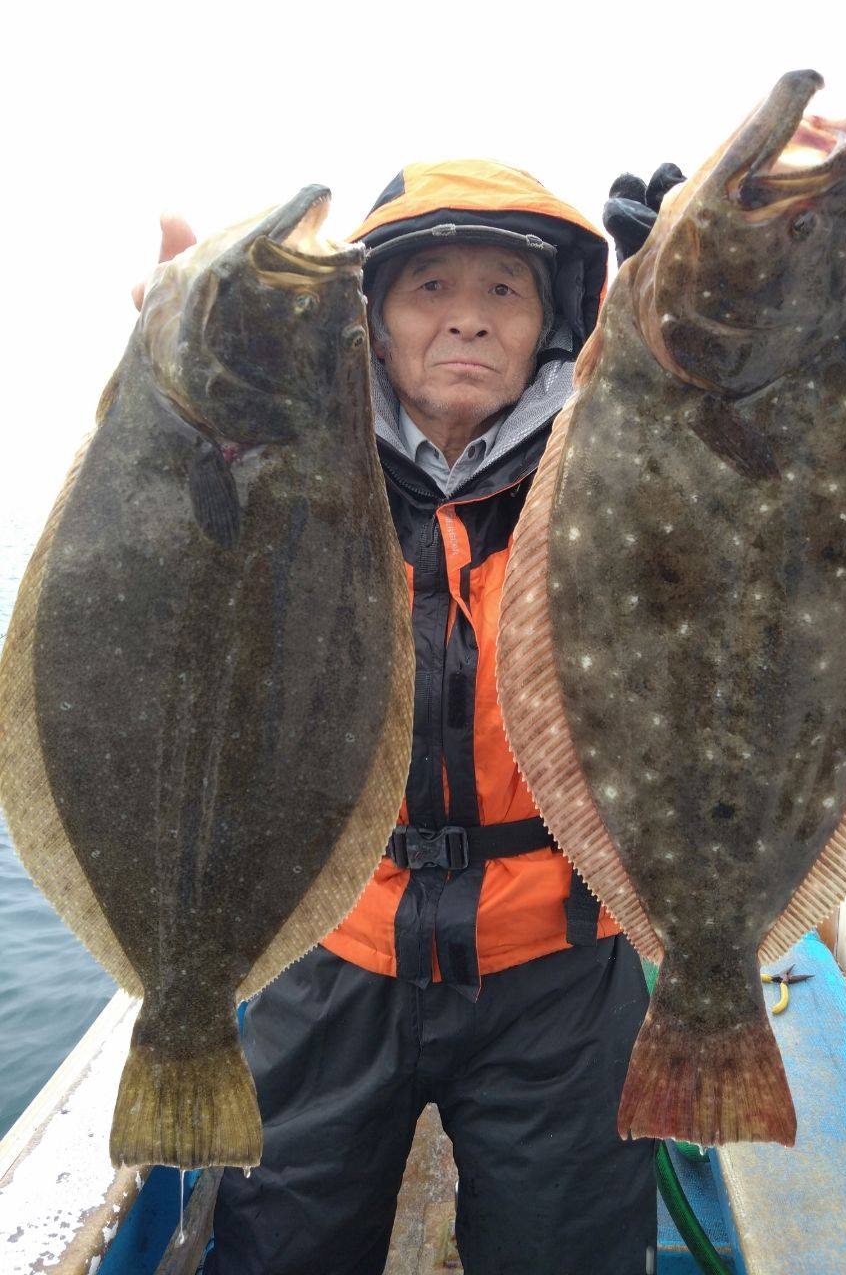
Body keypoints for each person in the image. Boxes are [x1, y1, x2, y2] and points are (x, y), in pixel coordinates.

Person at [148, 160, 672, 1275]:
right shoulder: (296, 460)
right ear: (374, 324)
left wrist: (684, 321)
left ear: (552, 324)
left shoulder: (618, 463)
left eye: (506, 289)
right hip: (334, 942)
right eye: (429, 285)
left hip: (560, 967)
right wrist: (178, 406)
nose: (469, 316)